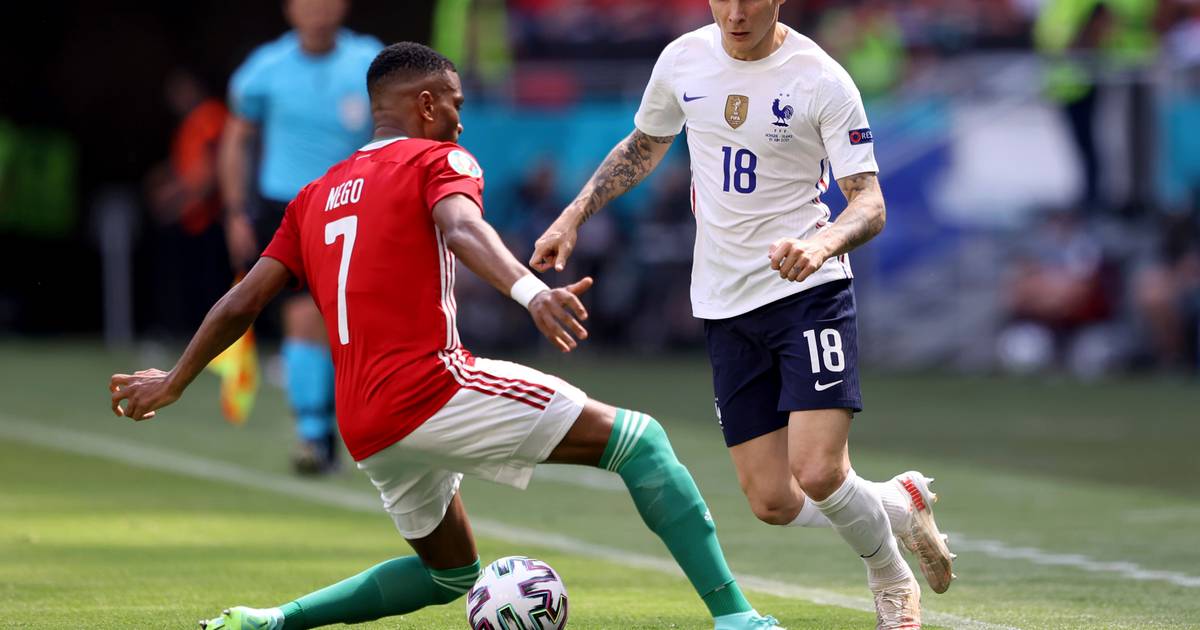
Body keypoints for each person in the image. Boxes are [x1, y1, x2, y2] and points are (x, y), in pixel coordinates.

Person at [109, 42, 781, 630]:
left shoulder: (313, 197)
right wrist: (532, 292)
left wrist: (174, 380)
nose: (461, 119)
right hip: (430, 388)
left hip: (364, 423)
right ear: (426, 104)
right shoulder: (438, 160)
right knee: (642, 443)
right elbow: (461, 228)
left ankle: (274, 620)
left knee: (449, 574)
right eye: (456, 104)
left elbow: (241, 302)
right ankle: (735, 616)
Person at [530, 1, 955, 628]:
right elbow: (645, 144)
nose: (734, 13)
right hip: (724, 303)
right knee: (772, 501)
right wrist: (573, 216)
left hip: (807, 290)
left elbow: (869, 202)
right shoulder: (683, 59)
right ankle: (898, 503)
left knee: (818, 470)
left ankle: (890, 577)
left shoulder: (821, 78)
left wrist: (821, 245)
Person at [217, 0, 383, 473]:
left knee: (353, 323)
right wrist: (235, 211)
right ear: (290, 9)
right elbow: (236, 139)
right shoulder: (265, 68)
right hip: (289, 208)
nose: (318, 10)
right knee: (303, 315)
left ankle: (353, 423)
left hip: (358, 204)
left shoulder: (370, 62)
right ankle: (313, 435)